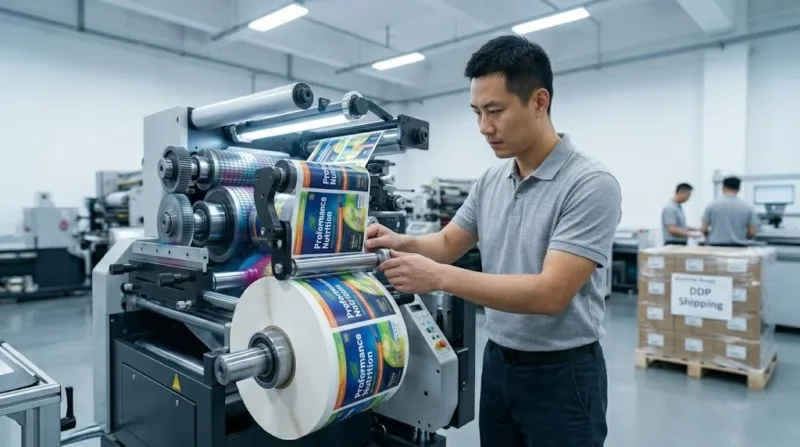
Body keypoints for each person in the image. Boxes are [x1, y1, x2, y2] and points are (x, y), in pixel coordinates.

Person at [366, 35, 621, 447]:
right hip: (499, 364)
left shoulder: (590, 184)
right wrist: (400, 240)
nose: (485, 127)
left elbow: (549, 293)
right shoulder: (491, 180)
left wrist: (439, 278)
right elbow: (448, 242)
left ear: (539, 102)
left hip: (563, 376)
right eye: (477, 112)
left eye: (495, 111)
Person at [700, 176, 758, 246]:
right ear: (739, 189)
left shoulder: (711, 206)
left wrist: (711, 236)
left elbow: (703, 229)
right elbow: (752, 233)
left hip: (715, 246)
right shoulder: (748, 207)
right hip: (739, 247)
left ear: (723, 188)